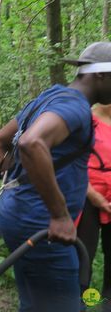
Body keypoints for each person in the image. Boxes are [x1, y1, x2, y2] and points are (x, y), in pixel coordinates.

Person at [0, 41, 111, 312]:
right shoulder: (75, 108)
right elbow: (31, 142)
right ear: (101, 75)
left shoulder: (49, 97)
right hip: (43, 227)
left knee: (34, 304)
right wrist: (59, 215)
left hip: (19, 216)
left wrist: (17, 181)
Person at [77, 103, 111, 311]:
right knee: (83, 256)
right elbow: (73, 163)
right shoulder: (86, 119)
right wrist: (94, 196)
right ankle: (79, 302)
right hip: (86, 194)